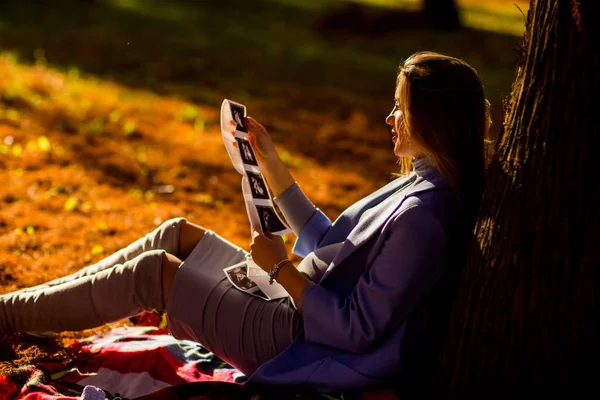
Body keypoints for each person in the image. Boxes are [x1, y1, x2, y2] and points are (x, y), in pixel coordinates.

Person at [0, 52, 489, 392]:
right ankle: (24, 306)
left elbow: (356, 330)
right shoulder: (423, 183)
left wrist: (281, 271)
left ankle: (8, 316)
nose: (389, 118)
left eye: (400, 109)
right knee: (176, 233)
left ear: (433, 120)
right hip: (296, 303)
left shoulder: (426, 215)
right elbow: (331, 243)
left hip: (295, 337)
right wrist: (272, 167)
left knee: (155, 271)